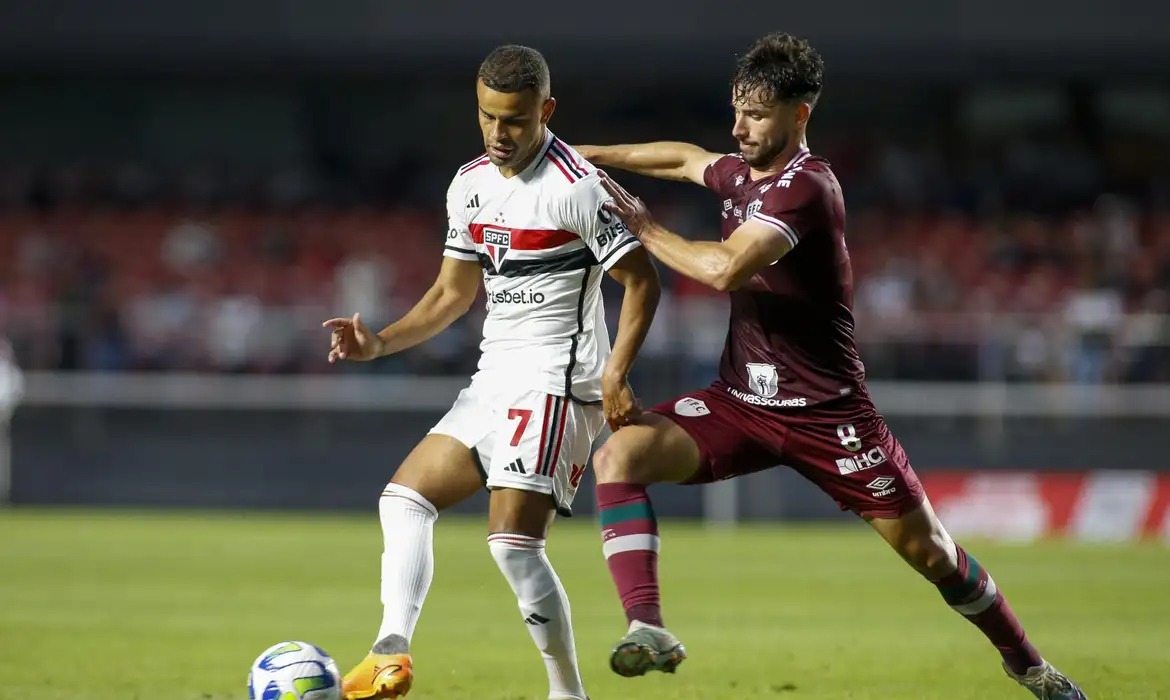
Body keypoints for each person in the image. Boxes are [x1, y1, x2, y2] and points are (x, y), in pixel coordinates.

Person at [575, 32, 1087, 700]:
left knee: (931, 554)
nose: (740, 127)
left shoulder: (808, 188)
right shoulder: (738, 172)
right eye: (736, 110)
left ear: (800, 115)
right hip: (741, 404)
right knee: (620, 458)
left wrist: (643, 228)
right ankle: (648, 627)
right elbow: (682, 159)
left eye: (755, 115)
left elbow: (726, 267)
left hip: (831, 417)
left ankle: (1030, 667)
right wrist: (581, 156)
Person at [326, 44, 660, 700]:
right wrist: (379, 344)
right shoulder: (470, 183)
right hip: (494, 381)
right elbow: (452, 294)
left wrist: (617, 374)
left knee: (511, 545)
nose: (499, 133)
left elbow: (642, 282)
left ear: (546, 111)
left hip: (560, 386)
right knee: (403, 501)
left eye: (514, 120)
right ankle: (392, 649)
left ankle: (567, 692)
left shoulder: (576, 187)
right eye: (488, 117)